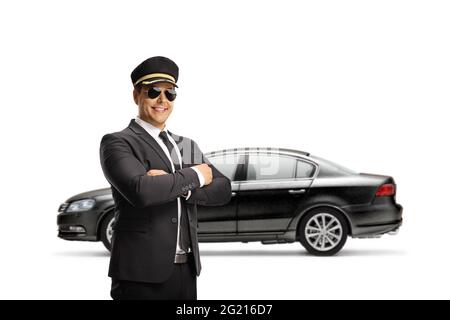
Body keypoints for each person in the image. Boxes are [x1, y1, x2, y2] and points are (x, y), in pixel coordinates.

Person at [99, 56, 231, 300]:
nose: (163, 100)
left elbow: (223, 188)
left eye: (170, 93)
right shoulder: (118, 142)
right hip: (139, 274)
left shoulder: (186, 145)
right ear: (136, 95)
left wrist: (181, 186)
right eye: (153, 92)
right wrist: (196, 175)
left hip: (186, 270)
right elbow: (142, 191)